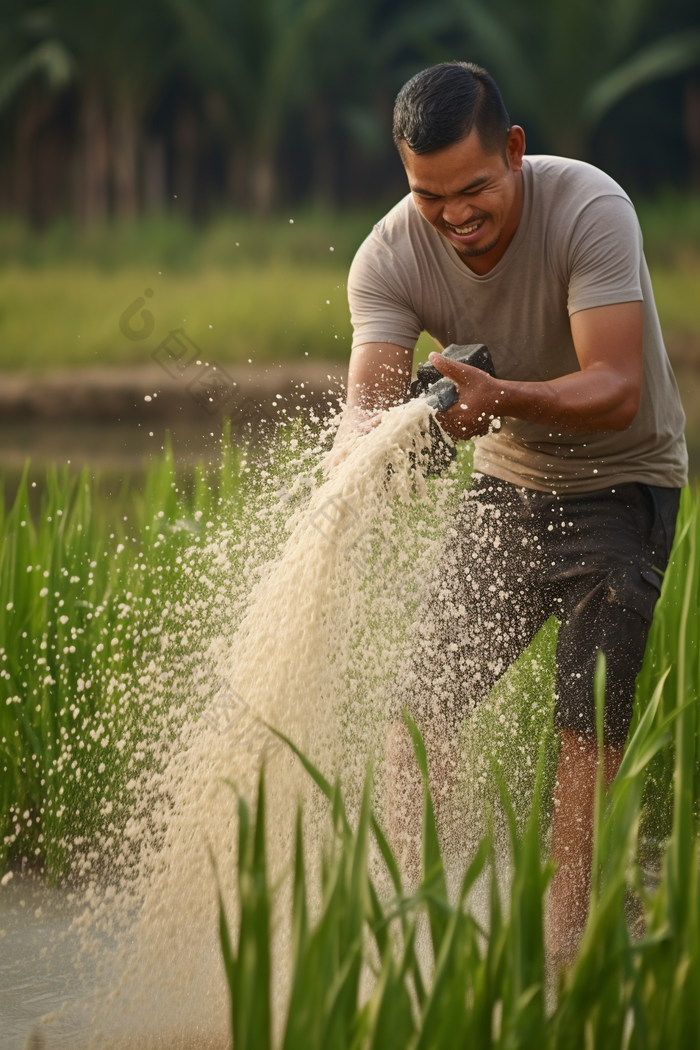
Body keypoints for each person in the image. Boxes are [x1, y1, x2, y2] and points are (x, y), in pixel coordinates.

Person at [337, 61, 687, 962]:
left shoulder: (590, 209)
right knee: (420, 706)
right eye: (429, 196)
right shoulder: (386, 257)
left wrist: (499, 400)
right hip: (509, 480)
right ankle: (411, 933)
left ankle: (567, 953)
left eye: (474, 189)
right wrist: (363, 466)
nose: (455, 215)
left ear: (516, 153)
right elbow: (367, 413)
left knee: (585, 726)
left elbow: (615, 388)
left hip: (624, 479)